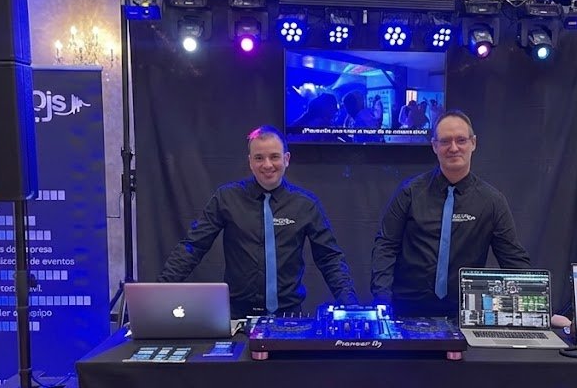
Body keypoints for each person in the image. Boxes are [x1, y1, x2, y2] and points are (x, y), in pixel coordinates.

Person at [159, 125, 358, 317]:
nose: (267, 165)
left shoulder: (305, 204)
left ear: (286, 159)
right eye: (259, 158)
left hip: (288, 317)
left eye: (274, 157)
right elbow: (193, 247)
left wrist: (351, 307)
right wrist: (160, 292)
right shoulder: (226, 198)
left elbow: (329, 258)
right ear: (250, 162)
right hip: (237, 317)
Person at [371, 109, 531, 317]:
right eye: (445, 141)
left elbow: (513, 259)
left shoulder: (492, 201)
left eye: (461, 140)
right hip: (407, 311)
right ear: (434, 146)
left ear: (473, 143)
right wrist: (382, 303)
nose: (453, 148)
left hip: (465, 314)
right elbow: (385, 246)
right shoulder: (409, 193)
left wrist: (538, 309)